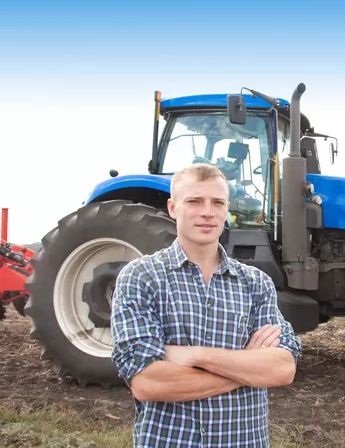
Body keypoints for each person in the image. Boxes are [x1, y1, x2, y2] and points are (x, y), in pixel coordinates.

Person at [110, 163, 302, 447]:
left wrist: (195, 355)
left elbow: (282, 369)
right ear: (173, 208)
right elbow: (148, 383)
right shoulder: (141, 277)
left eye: (217, 202)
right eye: (195, 201)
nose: (207, 212)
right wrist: (246, 369)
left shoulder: (255, 284)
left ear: (227, 210)